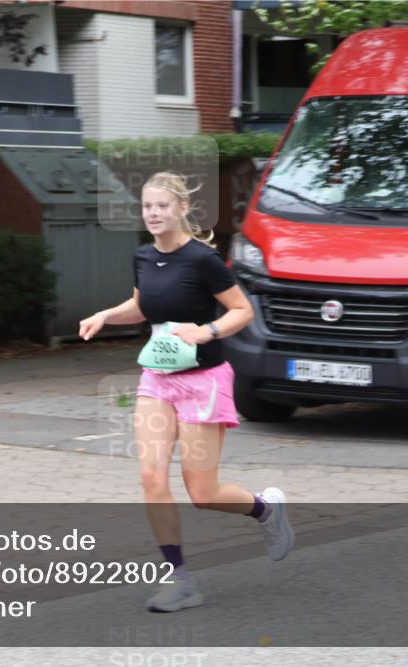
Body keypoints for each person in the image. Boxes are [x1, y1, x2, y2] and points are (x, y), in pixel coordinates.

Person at [78, 171, 294, 613]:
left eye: (161, 206)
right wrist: (104, 315)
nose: (153, 214)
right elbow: (141, 305)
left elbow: (242, 311)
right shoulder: (142, 256)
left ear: (180, 209)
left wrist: (207, 331)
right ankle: (179, 580)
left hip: (204, 382)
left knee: (203, 493)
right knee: (152, 476)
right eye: (146, 207)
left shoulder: (203, 260)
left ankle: (266, 510)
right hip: (157, 379)